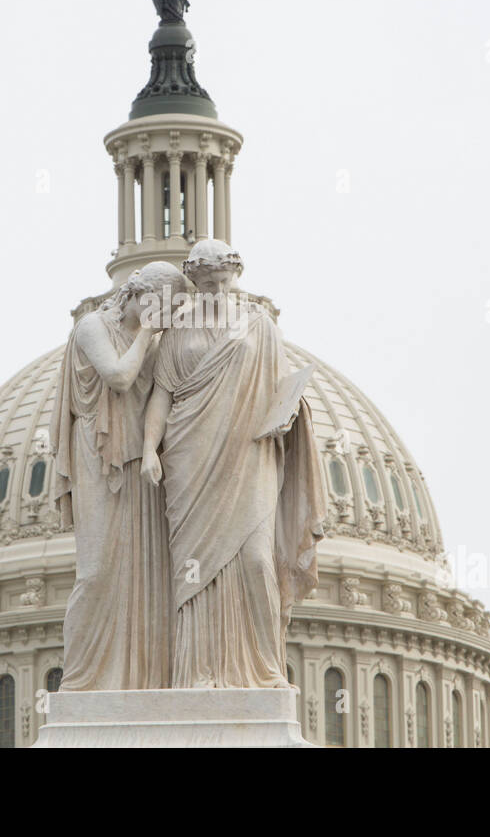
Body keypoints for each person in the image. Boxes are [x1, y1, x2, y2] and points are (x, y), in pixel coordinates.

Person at [142, 240, 325, 688]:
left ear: (236, 279)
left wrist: (288, 416)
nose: (217, 293)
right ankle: (198, 672)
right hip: (189, 457)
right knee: (195, 569)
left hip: (249, 455)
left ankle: (264, 671)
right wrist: (149, 449)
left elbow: (281, 390)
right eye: (207, 286)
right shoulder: (177, 331)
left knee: (257, 560)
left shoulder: (261, 327)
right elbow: (161, 395)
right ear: (194, 284)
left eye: (224, 283)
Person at [52, 262, 186, 690]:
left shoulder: (164, 341)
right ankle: (81, 682)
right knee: (95, 572)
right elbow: (119, 377)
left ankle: (140, 680)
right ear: (135, 293)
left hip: (140, 465)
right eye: (155, 304)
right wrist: (149, 332)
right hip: (97, 453)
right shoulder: (93, 326)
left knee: (143, 573)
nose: (157, 314)